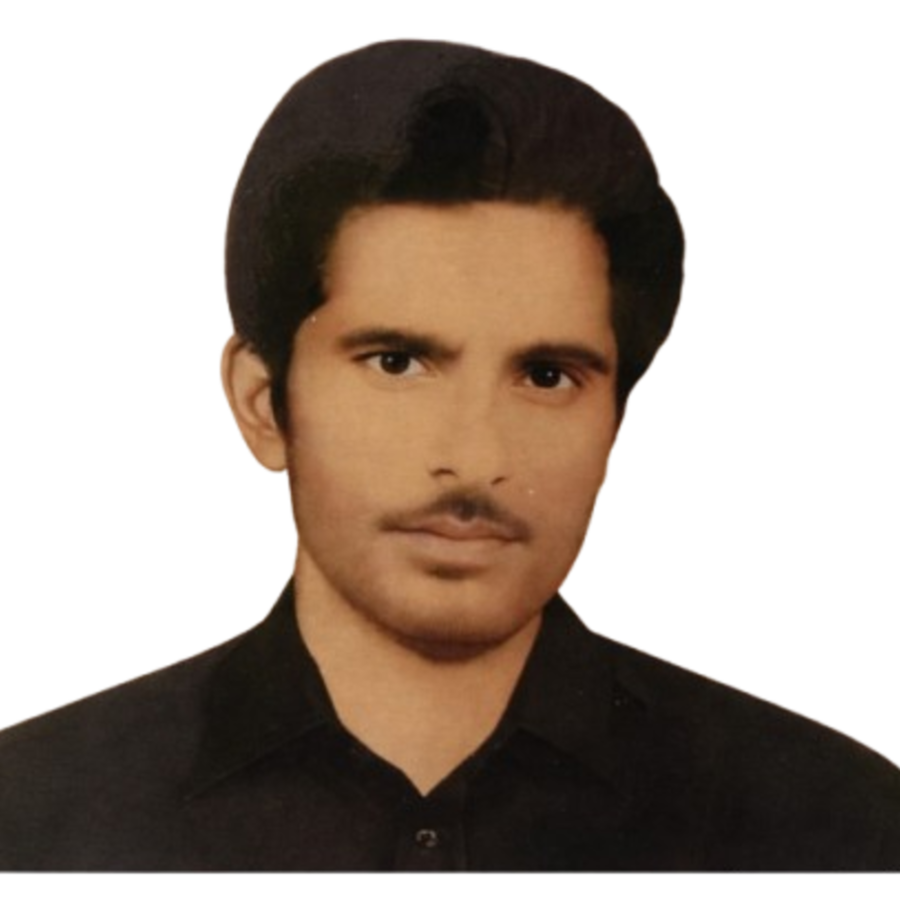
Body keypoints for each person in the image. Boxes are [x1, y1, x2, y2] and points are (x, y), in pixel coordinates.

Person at [1, 36, 897, 875]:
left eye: (546, 376)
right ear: (264, 403)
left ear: (616, 423)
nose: (474, 458)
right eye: (397, 362)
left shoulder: (843, 820)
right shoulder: (30, 811)